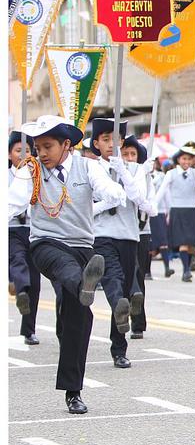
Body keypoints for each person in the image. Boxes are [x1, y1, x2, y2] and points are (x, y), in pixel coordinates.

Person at [8, 115, 126, 414]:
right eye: (37, 147)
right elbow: (11, 203)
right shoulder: (30, 171)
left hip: (83, 247)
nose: (41, 153)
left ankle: (73, 391)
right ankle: (86, 284)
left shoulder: (89, 167)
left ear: (67, 145)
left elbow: (109, 191)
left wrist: (114, 190)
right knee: (66, 270)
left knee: (79, 321)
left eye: (47, 146)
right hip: (46, 243)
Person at [89, 119, 154, 368]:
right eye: (105, 140)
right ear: (96, 144)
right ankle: (118, 304)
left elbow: (143, 201)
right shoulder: (90, 168)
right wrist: (106, 202)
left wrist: (125, 172)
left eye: (115, 140)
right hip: (102, 234)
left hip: (129, 235)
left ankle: (119, 348)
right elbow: (85, 208)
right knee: (113, 280)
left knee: (126, 286)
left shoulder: (135, 169)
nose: (111, 145)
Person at [120, 135, 157, 340]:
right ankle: (123, 317)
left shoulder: (146, 176)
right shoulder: (115, 174)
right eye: (125, 154)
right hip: (122, 232)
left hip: (142, 230)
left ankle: (138, 323)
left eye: (133, 154)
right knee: (126, 274)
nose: (129, 157)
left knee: (138, 276)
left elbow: (151, 205)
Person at [154, 143, 195, 282]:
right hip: (178, 210)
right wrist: (153, 207)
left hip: (194, 210)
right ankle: (186, 271)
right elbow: (162, 191)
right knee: (183, 242)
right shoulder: (171, 173)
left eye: (189, 159)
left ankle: (188, 265)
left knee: (192, 244)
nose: (186, 162)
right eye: (183, 159)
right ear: (178, 160)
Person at [9, 131, 40, 345]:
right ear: (10, 153)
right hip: (11, 228)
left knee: (35, 281)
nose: (23, 155)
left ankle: (28, 329)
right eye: (18, 150)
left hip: (32, 228)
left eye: (27, 151)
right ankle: (21, 290)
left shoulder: (36, 173)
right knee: (18, 261)